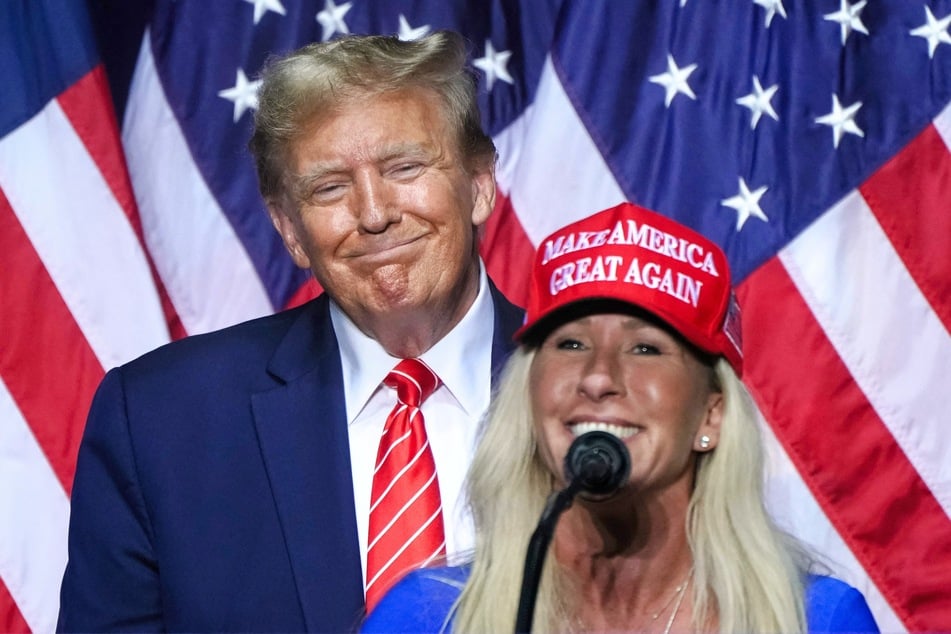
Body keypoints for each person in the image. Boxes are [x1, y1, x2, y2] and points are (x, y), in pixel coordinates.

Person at [57, 31, 523, 633]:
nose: (375, 213)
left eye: (404, 167)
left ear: (480, 183)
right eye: (330, 187)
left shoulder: (590, 393)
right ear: (290, 229)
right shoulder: (160, 421)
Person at [361, 202, 879, 633]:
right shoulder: (424, 618)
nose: (598, 376)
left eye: (646, 349)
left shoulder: (815, 620)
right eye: (571, 343)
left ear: (712, 413)